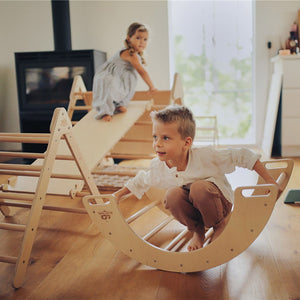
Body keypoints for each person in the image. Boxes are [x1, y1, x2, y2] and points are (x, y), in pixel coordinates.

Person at [113, 105, 280, 251]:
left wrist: (269, 180)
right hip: (196, 209)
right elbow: (142, 180)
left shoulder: (205, 156)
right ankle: (197, 231)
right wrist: (118, 195)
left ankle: (219, 224)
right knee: (172, 195)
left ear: (186, 143)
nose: (157, 143)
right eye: (155, 137)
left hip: (219, 204)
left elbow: (242, 155)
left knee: (198, 188)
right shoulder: (159, 166)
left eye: (165, 138)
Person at [92, 22, 157, 121]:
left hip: (119, 76)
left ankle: (120, 104)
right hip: (108, 76)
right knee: (109, 89)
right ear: (129, 38)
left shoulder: (135, 54)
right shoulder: (130, 54)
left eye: (145, 39)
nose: (142, 42)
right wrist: (151, 86)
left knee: (130, 79)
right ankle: (106, 111)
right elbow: (142, 71)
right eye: (138, 38)